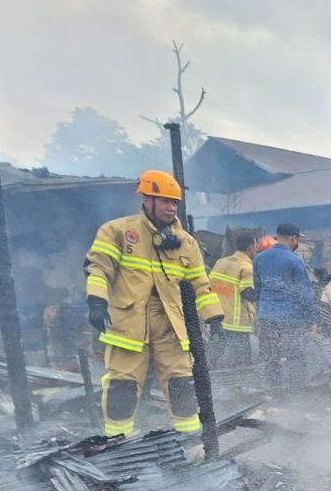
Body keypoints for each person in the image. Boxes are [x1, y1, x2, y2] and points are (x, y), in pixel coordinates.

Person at [84, 169, 223, 436]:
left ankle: (189, 442)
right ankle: (118, 441)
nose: (172, 208)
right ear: (147, 200)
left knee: (181, 386)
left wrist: (214, 318)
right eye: (165, 201)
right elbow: (99, 268)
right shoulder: (118, 232)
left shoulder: (187, 244)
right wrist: (97, 301)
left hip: (171, 325)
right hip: (128, 322)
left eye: (175, 203)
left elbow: (201, 286)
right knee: (122, 387)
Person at [253, 222, 318, 394]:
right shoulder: (294, 260)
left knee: (270, 356)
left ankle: (275, 392)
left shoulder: (259, 258)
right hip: (290, 319)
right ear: (293, 239)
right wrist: (311, 320)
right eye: (298, 240)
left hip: (267, 317)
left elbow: (257, 288)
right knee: (295, 355)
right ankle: (298, 393)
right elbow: (305, 292)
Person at [208, 231, 259, 366]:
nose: (257, 248)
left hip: (218, 317)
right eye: (256, 245)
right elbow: (247, 293)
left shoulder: (220, 262)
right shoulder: (247, 267)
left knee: (216, 356)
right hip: (237, 322)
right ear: (250, 247)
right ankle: (240, 387)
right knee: (243, 360)